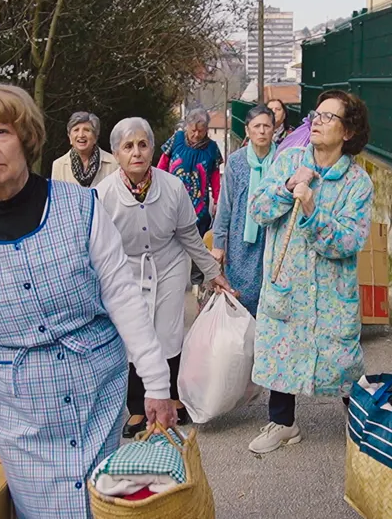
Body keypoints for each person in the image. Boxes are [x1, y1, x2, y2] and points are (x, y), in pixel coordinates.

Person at [0, 84, 177, 519]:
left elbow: (122, 295)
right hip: (21, 412)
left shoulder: (80, 207)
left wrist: (155, 382)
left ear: (25, 138)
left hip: (97, 395)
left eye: (1, 132)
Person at [246, 90, 373, 454]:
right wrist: (288, 187)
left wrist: (313, 210)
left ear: (348, 131)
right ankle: (283, 423)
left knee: (341, 361)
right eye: (317, 114)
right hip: (287, 285)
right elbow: (258, 209)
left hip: (331, 295)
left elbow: (349, 241)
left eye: (329, 117)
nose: (317, 121)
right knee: (280, 352)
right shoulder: (288, 161)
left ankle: (361, 422)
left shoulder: (357, 183)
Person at [96, 117, 232, 438]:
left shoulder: (172, 187)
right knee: (134, 335)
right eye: (128, 146)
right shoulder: (103, 194)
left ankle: (172, 397)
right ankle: (137, 406)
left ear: (153, 149)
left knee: (168, 334)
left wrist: (213, 273)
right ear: (116, 153)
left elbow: (189, 236)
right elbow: (97, 247)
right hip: (126, 269)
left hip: (169, 264)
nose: (136, 152)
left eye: (143, 145)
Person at [210, 105, 276, 316]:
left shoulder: (282, 161)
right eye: (256, 126)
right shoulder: (236, 161)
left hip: (272, 237)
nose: (262, 131)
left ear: (274, 129)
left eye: (267, 126)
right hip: (240, 241)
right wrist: (218, 244)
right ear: (247, 130)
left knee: (270, 296)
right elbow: (225, 205)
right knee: (239, 298)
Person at [157, 108, 223, 287]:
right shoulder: (177, 139)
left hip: (199, 204)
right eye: (193, 130)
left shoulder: (212, 148)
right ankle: (168, 277)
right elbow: (162, 165)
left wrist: (217, 201)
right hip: (171, 201)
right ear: (187, 126)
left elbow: (215, 177)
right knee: (169, 239)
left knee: (198, 243)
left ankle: (196, 282)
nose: (196, 134)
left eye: (201, 131)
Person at [51, 111, 118, 188]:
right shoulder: (58, 165)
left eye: (86, 130)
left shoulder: (114, 163)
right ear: (69, 137)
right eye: (76, 130)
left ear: (95, 137)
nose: (81, 135)